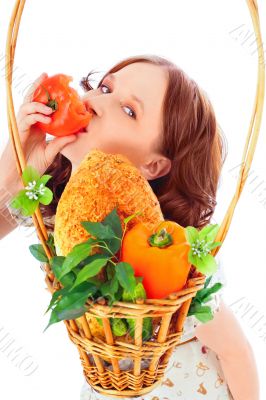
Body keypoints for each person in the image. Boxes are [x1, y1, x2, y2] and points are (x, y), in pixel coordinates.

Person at [0, 55, 260, 399]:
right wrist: (11, 170)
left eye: (129, 111)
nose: (95, 102)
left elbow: (235, 352)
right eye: (105, 87)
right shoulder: (60, 212)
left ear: (153, 165)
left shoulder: (169, 256)